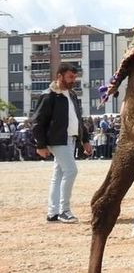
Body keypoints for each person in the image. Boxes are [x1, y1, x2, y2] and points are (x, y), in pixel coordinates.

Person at [32, 62, 92, 223]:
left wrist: (85, 140)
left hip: (70, 139)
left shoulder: (72, 95)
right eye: (70, 77)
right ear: (59, 76)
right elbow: (37, 122)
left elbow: (78, 119)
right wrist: (40, 145)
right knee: (71, 171)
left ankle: (53, 212)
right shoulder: (48, 95)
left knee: (58, 175)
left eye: (75, 77)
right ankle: (64, 211)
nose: (73, 80)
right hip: (57, 140)